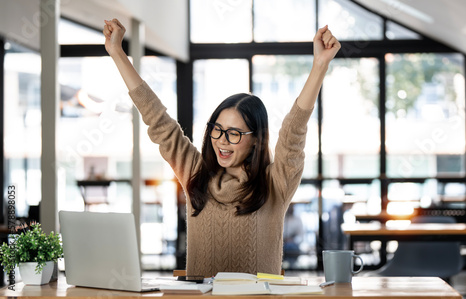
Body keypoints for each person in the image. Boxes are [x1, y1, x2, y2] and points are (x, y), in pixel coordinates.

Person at [103, 18, 340, 277]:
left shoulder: (276, 183)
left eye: (235, 133)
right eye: (217, 129)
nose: (222, 140)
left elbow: (293, 132)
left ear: (257, 140)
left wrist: (319, 65)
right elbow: (157, 118)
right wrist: (117, 53)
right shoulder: (194, 172)